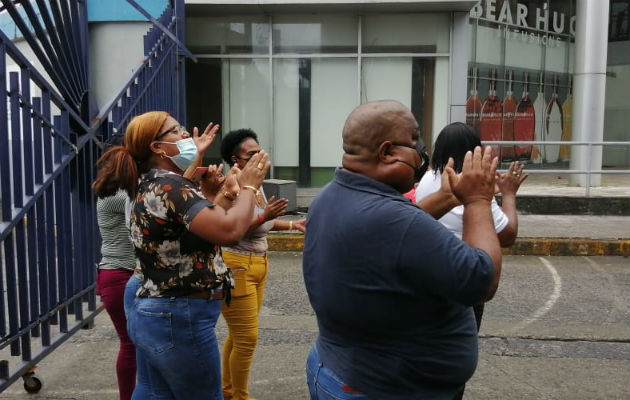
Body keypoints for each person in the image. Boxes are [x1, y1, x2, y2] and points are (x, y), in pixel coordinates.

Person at [303, 100, 503, 399]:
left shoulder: (331, 196)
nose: (422, 155)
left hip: (338, 368)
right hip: (383, 387)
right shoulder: (394, 220)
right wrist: (478, 201)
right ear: (387, 152)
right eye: (414, 142)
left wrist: (448, 198)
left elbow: (397, 230)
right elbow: (481, 280)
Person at [92, 111, 270, 400]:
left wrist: (212, 194)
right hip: (178, 313)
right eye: (177, 131)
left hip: (157, 306)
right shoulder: (169, 186)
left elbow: (190, 232)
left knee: (153, 391)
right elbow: (229, 231)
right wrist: (249, 186)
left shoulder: (151, 182)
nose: (186, 135)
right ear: (157, 148)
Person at [219, 128, 305, 400]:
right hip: (237, 265)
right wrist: (263, 216)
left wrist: (292, 223)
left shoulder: (255, 183)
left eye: (260, 151)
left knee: (238, 335)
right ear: (236, 159)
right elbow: (231, 230)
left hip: (258, 264)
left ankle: (228, 391)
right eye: (251, 154)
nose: (260, 157)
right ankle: (240, 396)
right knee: (247, 338)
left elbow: (263, 221)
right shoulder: (231, 185)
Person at [415, 122, 527, 331]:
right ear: (475, 150)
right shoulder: (474, 188)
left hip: (428, 275)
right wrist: (509, 194)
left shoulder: (427, 179)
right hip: (462, 277)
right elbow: (507, 235)